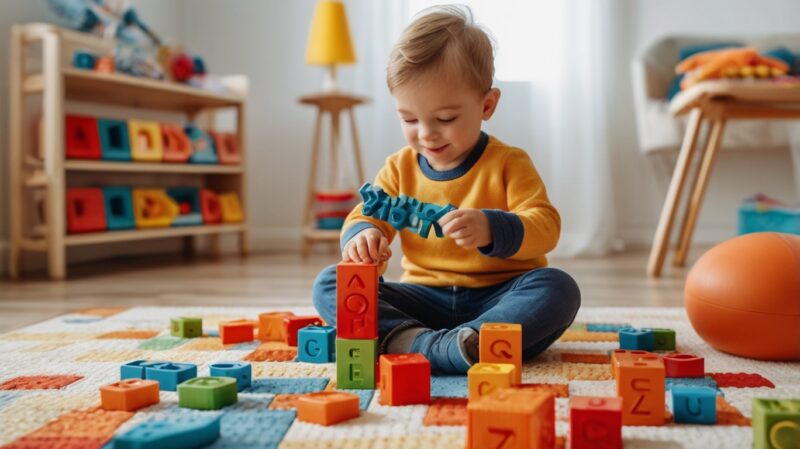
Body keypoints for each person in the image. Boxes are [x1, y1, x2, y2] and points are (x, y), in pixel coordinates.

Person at [313, 5, 580, 374]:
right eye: (409, 119)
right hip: (424, 297)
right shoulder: (398, 167)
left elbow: (545, 226)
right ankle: (424, 342)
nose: (425, 133)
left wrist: (492, 227)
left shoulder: (508, 163)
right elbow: (366, 213)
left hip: (500, 293)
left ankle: (458, 340)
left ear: (487, 105)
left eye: (445, 119)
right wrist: (364, 235)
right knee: (329, 283)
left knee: (558, 288)